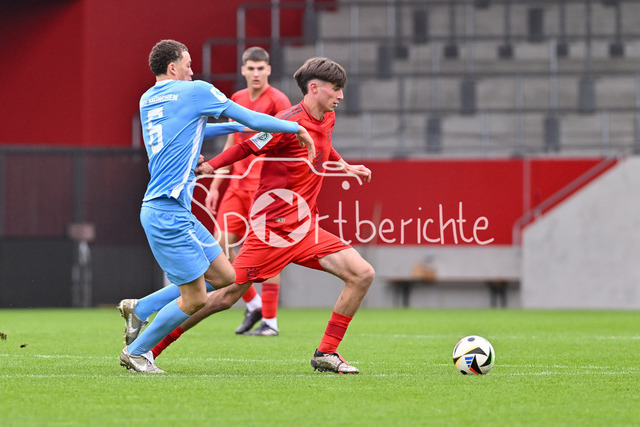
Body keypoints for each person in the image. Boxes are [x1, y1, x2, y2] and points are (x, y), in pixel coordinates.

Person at [152, 57, 375, 374]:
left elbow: (323, 145)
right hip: (272, 229)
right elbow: (246, 147)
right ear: (314, 88)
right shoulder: (285, 124)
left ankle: (326, 352)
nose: (340, 96)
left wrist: (345, 166)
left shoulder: (328, 117)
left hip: (305, 227)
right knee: (222, 297)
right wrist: (210, 166)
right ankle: (149, 347)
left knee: (362, 273)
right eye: (335, 89)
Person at [118, 39, 313, 374]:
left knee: (225, 275)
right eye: (188, 65)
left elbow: (190, 128)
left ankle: (142, 308)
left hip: (172, 211)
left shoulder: (148, 98)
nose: (193, 71)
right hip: (167, 212)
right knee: (195, 298)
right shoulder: (195, 90)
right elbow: (252, 117)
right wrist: (296, 127)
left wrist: (236, 127)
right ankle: (136, 352)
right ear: (173, 68)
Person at [206, 46, 291, 336]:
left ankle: (270, 321)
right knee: (219, 249)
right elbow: (231, 144)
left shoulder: (278, 100)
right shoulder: (237, 99)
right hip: (236, 188)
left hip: (264, 191)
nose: (255, 73)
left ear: (268, 70)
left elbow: (284, 144)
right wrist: (215, 186)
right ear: (243, 70)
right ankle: (253, 304)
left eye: (260, 68)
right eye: (251, 68)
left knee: (268, 253)